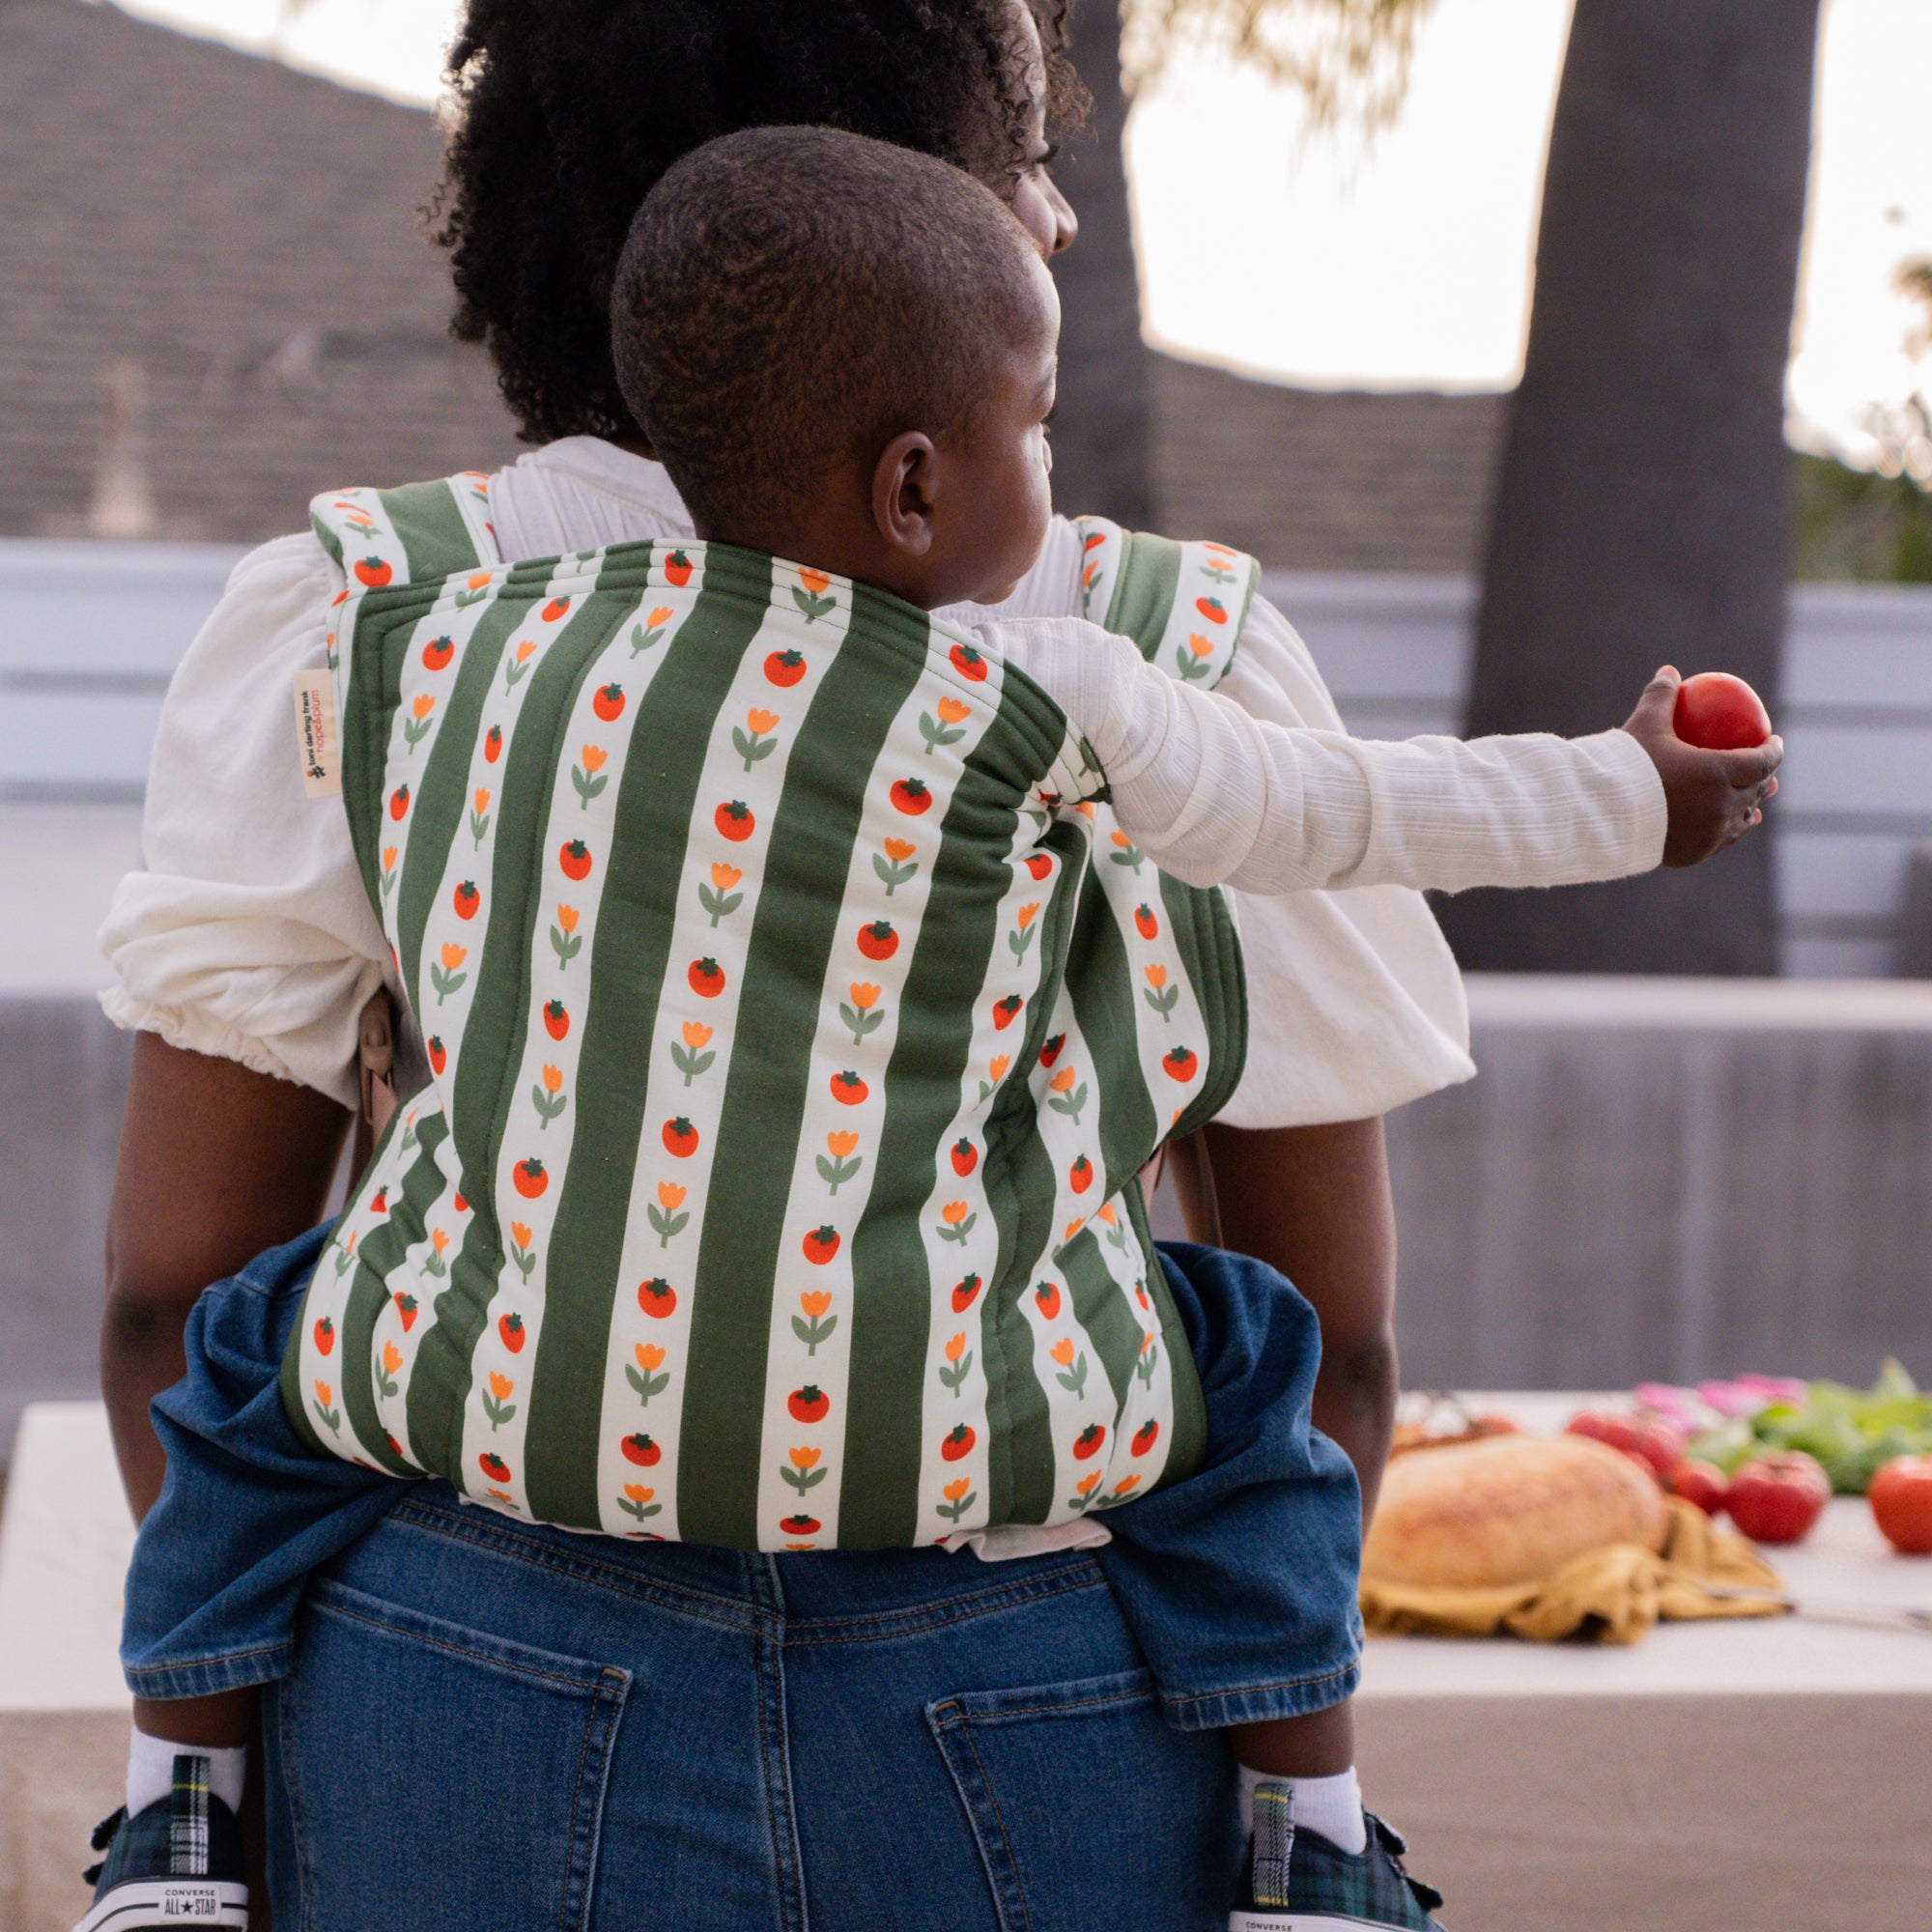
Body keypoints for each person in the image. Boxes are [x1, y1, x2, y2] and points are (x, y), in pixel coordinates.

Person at [79, 124, 1776, 1932]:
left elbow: (152, 1305)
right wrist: (1636, 797)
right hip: (1017, 1649)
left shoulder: (420, 636)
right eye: (1031, 423)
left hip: (465, 1654)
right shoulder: (1087, 679)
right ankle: (1316, 1841)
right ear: (912, 482)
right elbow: (1364, 826)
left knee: (249, 1346)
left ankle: (176, 1818)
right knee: (1256, 1357)